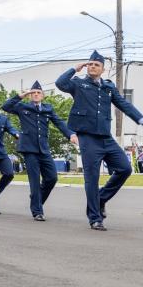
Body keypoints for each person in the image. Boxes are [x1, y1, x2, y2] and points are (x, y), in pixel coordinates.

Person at [56, 50, 143, 231]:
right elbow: (60, 83)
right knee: (92, 178)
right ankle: (95, 218)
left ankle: (101, 198)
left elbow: (123, 104)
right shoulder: (78, 84)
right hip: (87, 138)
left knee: (124, 168)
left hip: (106, 138)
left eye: (97, 65)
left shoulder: (108, 87)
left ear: (103, 69)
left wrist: (140, 119)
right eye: (91, 64)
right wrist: (74, 68)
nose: (93, 67)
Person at [2, 81, 77, 221]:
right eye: (33, 93)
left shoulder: (48, 109)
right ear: (30, 96)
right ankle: (37, 211)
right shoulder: (22, 107)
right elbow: (6, 106)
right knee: (35, 181)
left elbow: (59, 122)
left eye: (38, 93)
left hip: (43, 148)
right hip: (29, 149)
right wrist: (20, 95)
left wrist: (70, 134)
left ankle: (36, 200)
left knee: (52, 178)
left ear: (42, 95)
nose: (36, 95)